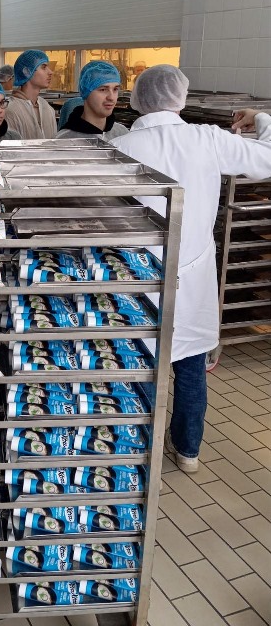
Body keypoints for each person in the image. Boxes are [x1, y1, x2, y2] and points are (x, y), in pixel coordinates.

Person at [111, 65, 271, 473]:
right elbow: (267, 159)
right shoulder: (207, 139)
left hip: (137, 276)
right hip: (194, 273)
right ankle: (187, 451)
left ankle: (132, 449)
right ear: (180, 99)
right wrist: (262, 120)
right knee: (190, 367)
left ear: (137, 99)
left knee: (137, 364)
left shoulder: (120, 146)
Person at [57, 60, 128, 141]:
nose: (111, 97)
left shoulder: (123, 134)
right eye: (103, 89)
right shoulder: (63, 140)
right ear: (85, 91)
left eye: (115, 89)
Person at [6, 50, 57, 139]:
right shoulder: (11, 110)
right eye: (44, 67)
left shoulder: (47, 108)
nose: (50, 72)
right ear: (27, 72)